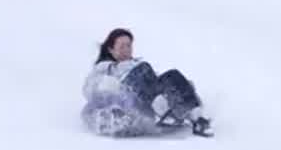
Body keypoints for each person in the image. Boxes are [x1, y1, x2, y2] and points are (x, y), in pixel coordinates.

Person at [81, 28, 212, 137]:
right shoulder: (103, 68)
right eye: (122, 46)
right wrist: (109, 82)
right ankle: (163, 112)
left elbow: (157, 80)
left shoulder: (137, 65)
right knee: (142, 70)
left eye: (129, 45)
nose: (127, 49)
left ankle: (197, 119)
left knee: (172, 74)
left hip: (152, 100)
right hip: (132, 104)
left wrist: (184, 87)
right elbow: (89, 89)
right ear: (111, 49)